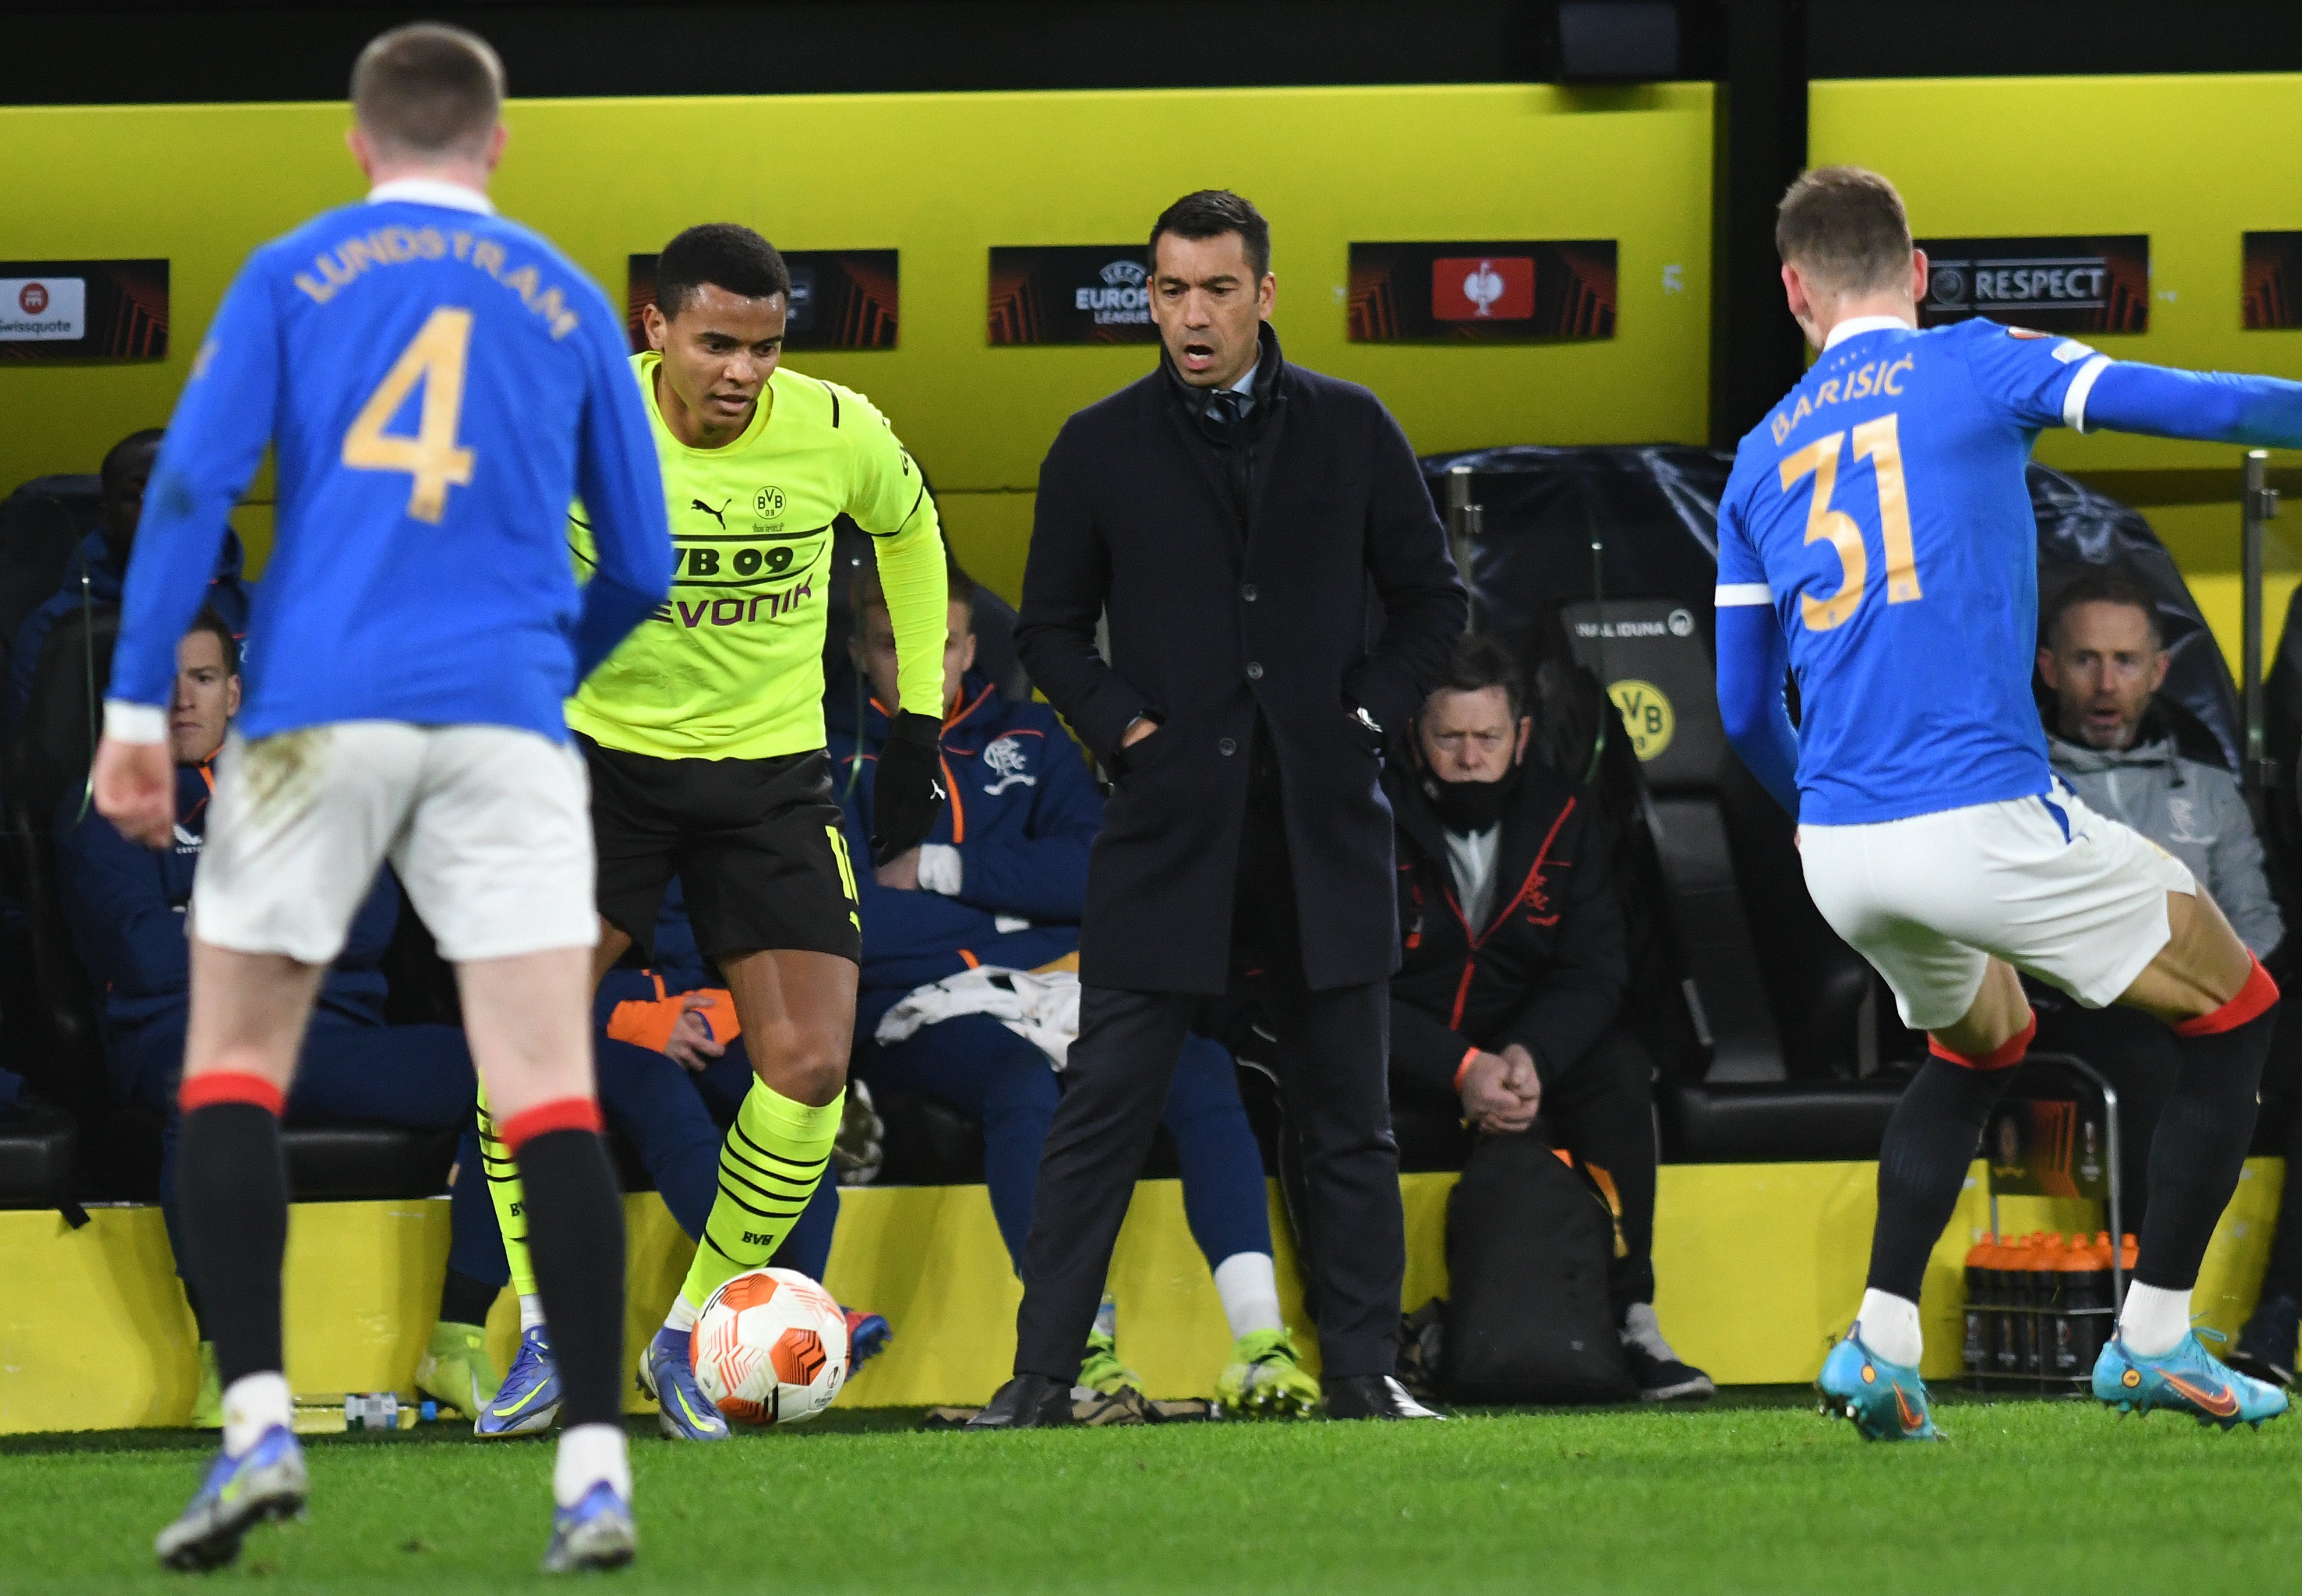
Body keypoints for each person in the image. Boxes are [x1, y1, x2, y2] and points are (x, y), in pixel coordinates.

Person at [92, 23, 670, 1573]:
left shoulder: (293, 269)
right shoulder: (562, 295)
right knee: (547, 1081)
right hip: (503, 717)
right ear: (497, 145)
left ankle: (262, 1422)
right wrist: (547, 671)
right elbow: (643, 565)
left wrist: (140, 706)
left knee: (234, 1066)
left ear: (359, 143)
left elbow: (195, 491)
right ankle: (596, 1468)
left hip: (310, 713)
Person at [1714, 164, 2302, 1443]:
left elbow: (1744, 711)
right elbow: (2190, 405)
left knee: (1977, 1040)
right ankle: (2151, 1335)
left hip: (1839, 846)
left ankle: (1878, 1338)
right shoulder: (1975, 361)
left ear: (1793, 290)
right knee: (2237, 1007)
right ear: (1915, 273)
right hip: (1974, 816)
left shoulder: (1758, 455)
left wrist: (1820, 810)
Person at [976, 189, 1466, 1428]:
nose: (1190, 316)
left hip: (1323, 828)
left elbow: (1430, 604)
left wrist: (1360, 717)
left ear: (1264, 294)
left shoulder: (1354, 429)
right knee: (1100, 1111)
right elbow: (1044, 629)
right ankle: (1038, 1377)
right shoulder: (1095, 444)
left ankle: (1362, 1370)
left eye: (1213, 290)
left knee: (1347, 1120)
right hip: (1166, 828)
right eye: (1169, 291)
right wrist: (1130, 730)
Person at [504, 218, 946, 1443]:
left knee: (807, 1064)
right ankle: (545, 1328)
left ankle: (690, 1333)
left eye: (763, 344)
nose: (743, 370)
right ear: (654, 329)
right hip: (603, 766)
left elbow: (909, 533)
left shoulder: (836, 427)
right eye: (716, 343)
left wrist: (918, 717)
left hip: (766, 779)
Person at [838, 557, 1317, 1415]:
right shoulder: (834, 755)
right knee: (1020, 1082)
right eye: (892, 644)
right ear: (859, 650)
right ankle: (1077, 1352)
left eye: (940, 644)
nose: (921, 664)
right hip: (916, 1008)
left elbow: (1098, 872)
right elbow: (853, 922)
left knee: (1200, 1071)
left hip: (1059, 983)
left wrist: (947, 871)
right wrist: (1010, 918)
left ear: (969, 646)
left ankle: (1260, 1344)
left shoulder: (1031, 737)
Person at [54, 613, 499, 1426]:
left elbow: (364, 927)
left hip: (327, 1042)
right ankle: (230, 1360)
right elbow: (147, 958)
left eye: (202, 679)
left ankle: (458, 1335)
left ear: (235, 693)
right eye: (165, 681)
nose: (182, 700)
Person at [1387, 635, 1713, 1401]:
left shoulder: (1563, 812)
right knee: (1328, 1060)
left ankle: (1634, 1319)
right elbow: (1350, 992)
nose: (1470, 757)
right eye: (1450, 738)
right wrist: (1459, 1068)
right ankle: (1367, 1337)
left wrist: (1530, 1055)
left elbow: (1595, 970)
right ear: (1414, 736)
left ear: (1521, 738)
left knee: (1620, 1067)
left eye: (1488, 738)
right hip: (1409, 1047)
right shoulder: (1373, 814)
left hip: (1522, 1049)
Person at [2028, 571, 2286, 1231]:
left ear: (2158, 671)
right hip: (2085, 1015)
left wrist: (2215, 997)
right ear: (2050, 669)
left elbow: (2256, 917)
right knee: (2150, 1059)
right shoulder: (2016, 792)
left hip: (2215, 1007)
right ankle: (2148, 1314)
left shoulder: (2205, 790)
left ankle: (2280, 1309)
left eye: (2125, 662)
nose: (2106, 684)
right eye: (2086, 660)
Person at [8, 428, 249, 729]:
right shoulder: (61, 628)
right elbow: (40, 763)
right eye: (137, 497)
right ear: (107, 518)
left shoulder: (263, 612)